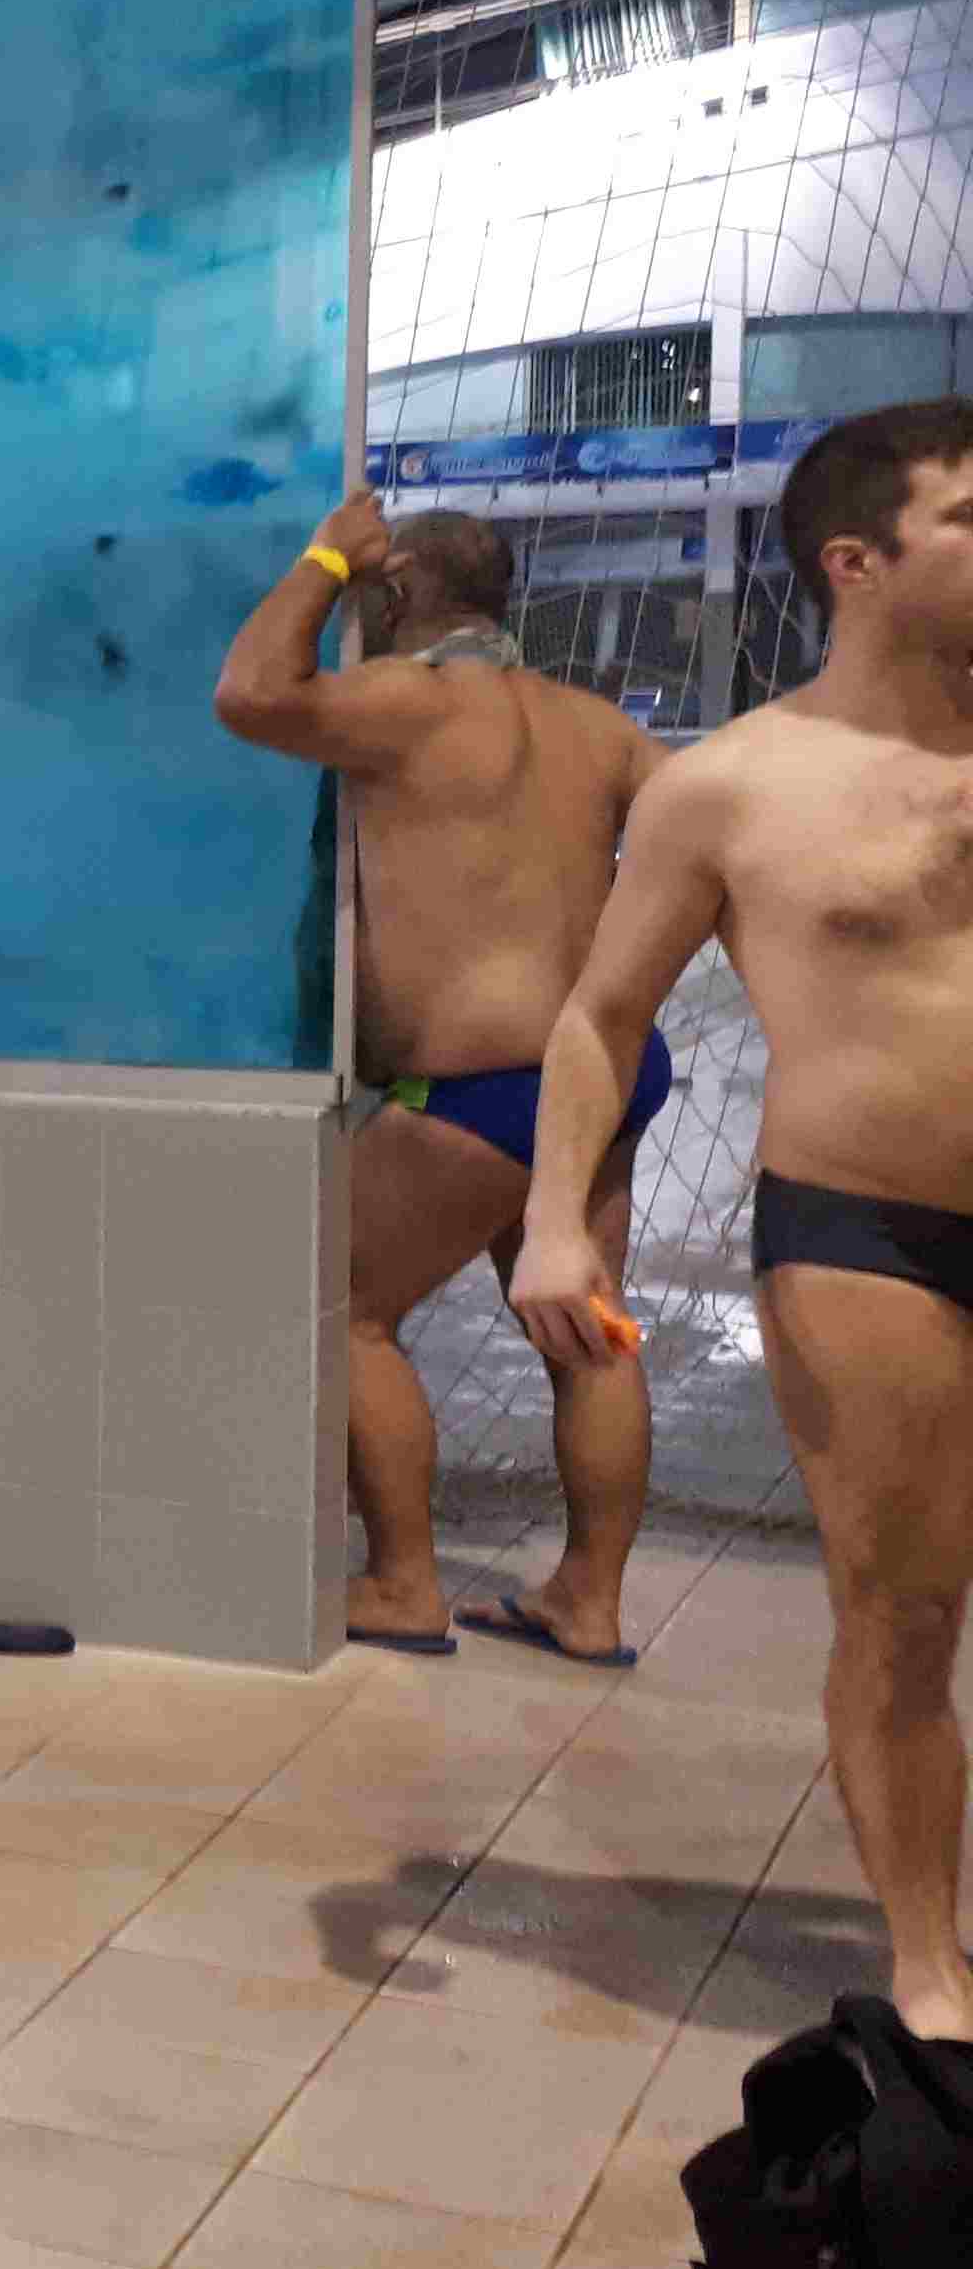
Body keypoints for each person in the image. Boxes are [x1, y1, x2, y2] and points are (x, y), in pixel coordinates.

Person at [518, 398, 973, 2040]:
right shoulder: (728, 788)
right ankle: (930, 1968)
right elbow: (600, 1014)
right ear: (858, 561)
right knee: (901, 1609)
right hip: (868, 1232)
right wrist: (555, 1221)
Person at [213, 491, 670, 1659]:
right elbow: (700, 850)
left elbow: (250, 691)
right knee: (586, 1330)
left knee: (344, 1311)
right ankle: (589, 1601)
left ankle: (404, 1586)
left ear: (401, 589)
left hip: (482, 1087)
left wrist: (325, 559)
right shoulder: (598, 726)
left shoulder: (406, 703)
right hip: (608, 1067)